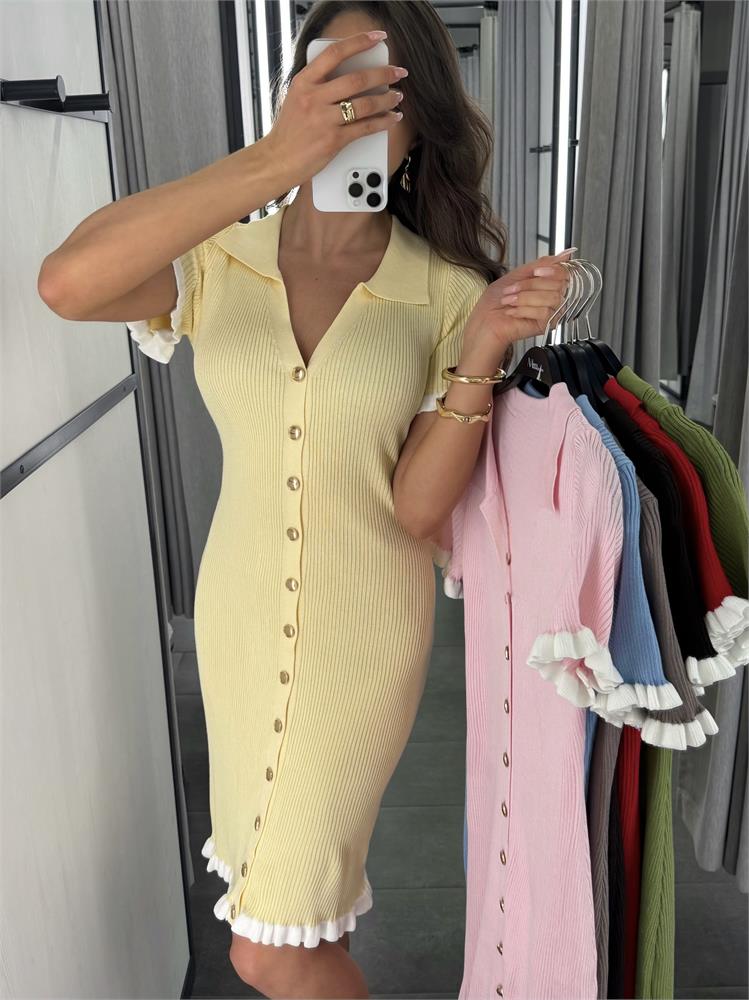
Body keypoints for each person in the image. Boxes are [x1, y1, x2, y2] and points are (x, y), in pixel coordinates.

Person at [37, 3, 571, 997]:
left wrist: (480, 352)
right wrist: (273, 161)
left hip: (359, 637)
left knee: (268, 949)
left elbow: (418, 512)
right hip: (237, 624)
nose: (353, 108)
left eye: (378, 88)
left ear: (418, 122)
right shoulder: (219, 260)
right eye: (332, 80)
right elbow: (68, 283)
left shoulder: (445, 291)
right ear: (294, 94)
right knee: (282, 922)